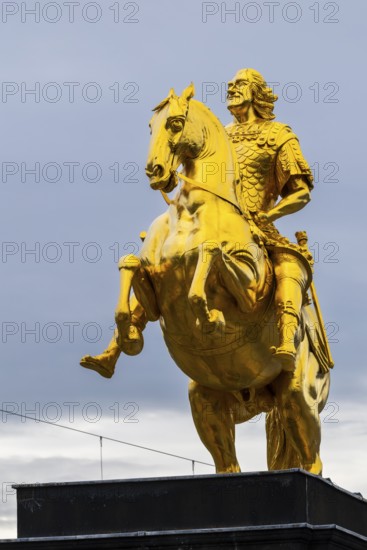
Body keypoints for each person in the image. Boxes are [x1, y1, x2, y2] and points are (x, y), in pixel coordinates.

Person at [225, 68, 314, 370]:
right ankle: (127, 331)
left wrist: (268, 215)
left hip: (258, 226)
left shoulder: (279, 135)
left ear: (254, 92)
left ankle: (287, 340)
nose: (230, 87)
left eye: (238, 84)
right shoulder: (219, 135)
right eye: (230, 83)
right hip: (218, 222)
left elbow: (300, 193)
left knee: (288, 266)